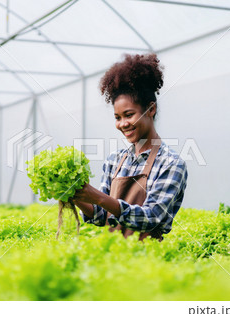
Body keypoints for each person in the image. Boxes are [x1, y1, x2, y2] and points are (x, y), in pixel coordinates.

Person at [73, 53, 188, 241]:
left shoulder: (170, 163)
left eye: (129, 115)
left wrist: (97, 197)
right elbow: (102, 217)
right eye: (117, 118)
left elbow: (151, 218)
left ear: (151, 109)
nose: (123, 124)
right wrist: (77, 196)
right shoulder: (114, 160)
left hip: (147, 262)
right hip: (111, 259)